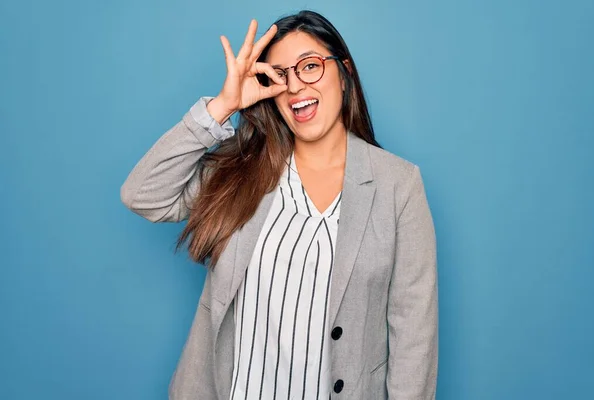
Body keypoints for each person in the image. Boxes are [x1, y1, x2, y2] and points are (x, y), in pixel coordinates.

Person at [121, 10, 438, 400]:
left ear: (345, 72)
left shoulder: (398, 185)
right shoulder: (242, 172)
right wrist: (223, 105)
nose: (296, 87)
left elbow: (414, 337)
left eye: (310, 66)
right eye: (281, 75)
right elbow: (142, 195)